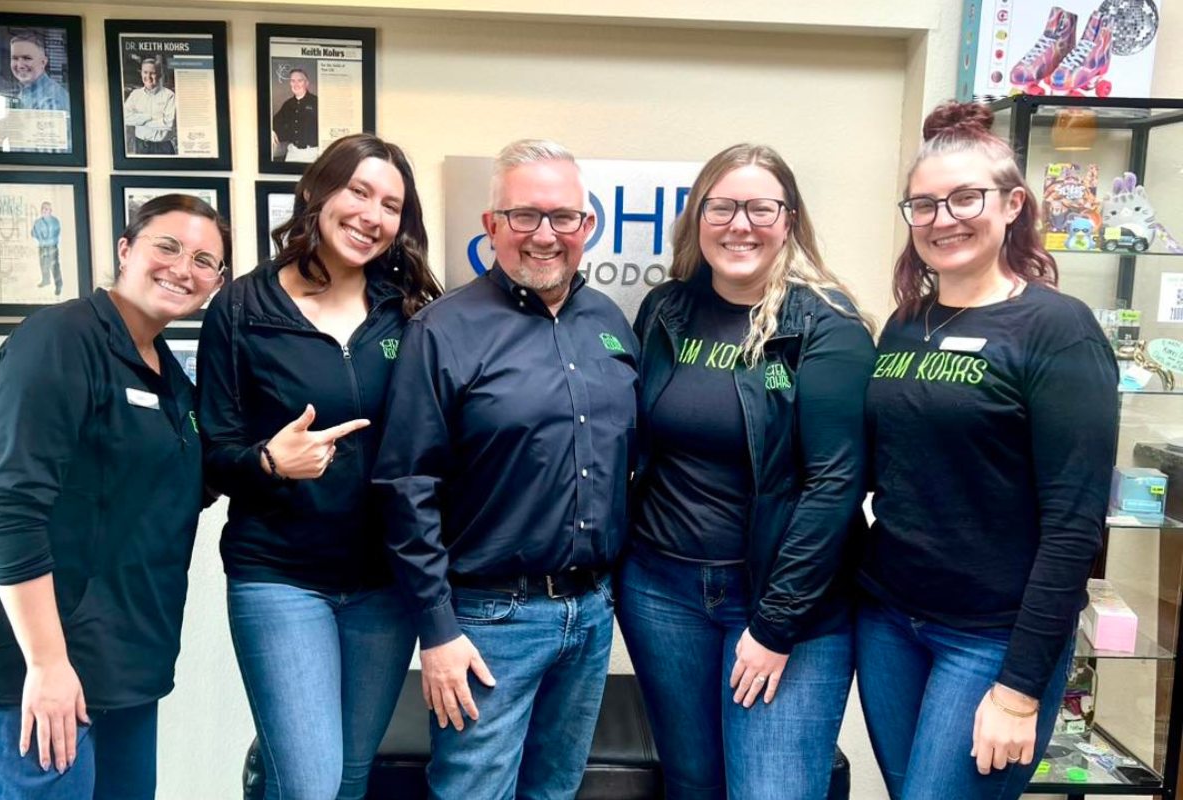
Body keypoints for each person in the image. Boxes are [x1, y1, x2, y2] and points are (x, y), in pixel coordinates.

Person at [856, 101, 1119, 800]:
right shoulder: (906, 325)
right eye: (924, 204)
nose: (944, 218)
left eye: (965, 198)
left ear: (1012, 205)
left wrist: (1020, 690)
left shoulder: (1059, 331)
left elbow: (1074, 525)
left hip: (991, 638)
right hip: (890, 621)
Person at [373, 139, 638, 800]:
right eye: (524, 216)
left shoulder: (610, 323)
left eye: (563, 217)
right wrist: (437, 631)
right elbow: (406, 488)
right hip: (489, 620)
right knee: (473, 792)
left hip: (591, 612)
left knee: (555, 791)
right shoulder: (443, 330)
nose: (545, 235)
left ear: (588, 227)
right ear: (491, 227)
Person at [621, 144, 875, 800]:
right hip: (661, 590)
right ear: (697, 218)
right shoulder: (666, 311)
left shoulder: (828, 325)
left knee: (772, 790)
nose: (741, 224)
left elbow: (834, 484)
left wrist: (774, 624)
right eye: (723, 207)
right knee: (692, 783)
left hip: (782, 605)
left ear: (789, 219)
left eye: (761, 208)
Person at [197, 133, 441, 800]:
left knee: (351, 776)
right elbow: (213, 454)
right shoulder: (242, 309)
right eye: (359, 192)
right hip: (281, 578)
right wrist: (271, 462)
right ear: (316, 192)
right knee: (310, 782)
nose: (372, 215)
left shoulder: (411, 310)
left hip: (385, 585)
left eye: (391, 205)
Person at [0, 194, 228, 799]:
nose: (182, 267)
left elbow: (168, 490)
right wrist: (45, 664)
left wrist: (268, 462)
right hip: (43, 670)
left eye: (203, 259)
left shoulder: (168, 373)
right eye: (167, 246)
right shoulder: (59, 341)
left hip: (127, 668)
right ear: (125, 249)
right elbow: (9, 508)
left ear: (216, 283)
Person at [122, 57, 176, 155]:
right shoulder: (135, 94)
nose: (148, 76)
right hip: (141, 145)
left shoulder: (169, 95)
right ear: (141, 73)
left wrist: (138, 120)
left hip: (162, 147)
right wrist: (149, 117)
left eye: (153, 73)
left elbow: (168, 124)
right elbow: (125, 118)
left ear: (159, 75)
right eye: (145, 72)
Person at [9, 30, 69, 112]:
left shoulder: (50, 100)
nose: (20, 65)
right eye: (15, 58)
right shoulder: (27, 90)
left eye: (27, 58)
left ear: (43, 62)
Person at [271, 68, 319, 163]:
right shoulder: (288, 104)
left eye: (300, 80)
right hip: (293, 152)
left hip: (313, 153)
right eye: (293, 81)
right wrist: (271, 131)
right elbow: (274, 122)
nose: (296, 84)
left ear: (307, 83)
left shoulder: (316, 101)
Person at [30, 201, 62, 295]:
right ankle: (46, 280)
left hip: (52, 247)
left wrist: (49, 240)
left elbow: (57, 232)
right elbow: (33, 233)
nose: (44, 210)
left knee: (54, 265)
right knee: (43, 264)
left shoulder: (55, 221)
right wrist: (40, 239)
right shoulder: (37, 222)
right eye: (43, 208)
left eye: (47, 209)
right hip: (42, 247)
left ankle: (58, 285)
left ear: (50, 210)